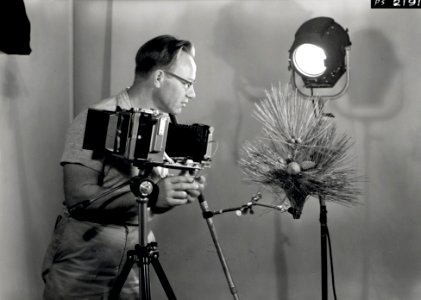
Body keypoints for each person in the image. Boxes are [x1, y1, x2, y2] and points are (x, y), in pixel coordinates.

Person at [42, 35, 206, 299]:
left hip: (133, 264)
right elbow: (76, 196)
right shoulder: (98, 119)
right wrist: (153, 193)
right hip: (86, 264)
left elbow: (147, 200)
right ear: (159, 77)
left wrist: (173, 192)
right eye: (187, 83)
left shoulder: (164, 127)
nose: (192, 92)